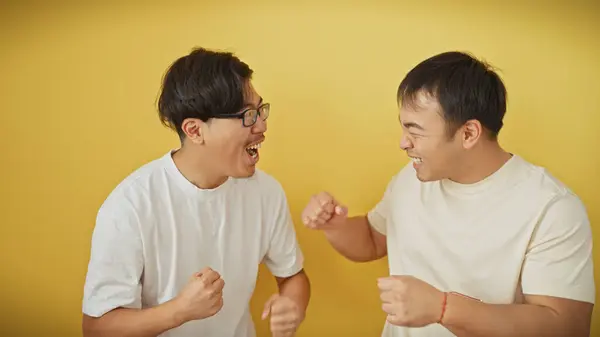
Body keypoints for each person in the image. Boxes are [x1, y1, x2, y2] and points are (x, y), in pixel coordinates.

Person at [302, 51, 595, 337]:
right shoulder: (411, 179)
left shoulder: (552, 207)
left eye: (415, 131)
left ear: (468, 133)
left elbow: (566, 326)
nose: (403, 143)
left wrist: (443, 308)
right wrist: (336, 226)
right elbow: (370, 240)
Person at [81, 47, 310, 337]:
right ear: (195, 130)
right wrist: (179, 310)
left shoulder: (266, 192)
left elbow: (292, 276)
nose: (262, 125)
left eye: (261, 110)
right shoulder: (130, 206)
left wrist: (293, 304)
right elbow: (96, 329)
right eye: (248, 116)